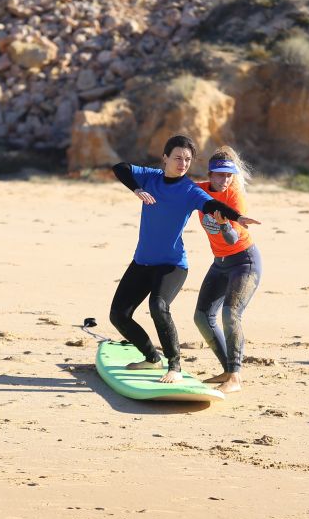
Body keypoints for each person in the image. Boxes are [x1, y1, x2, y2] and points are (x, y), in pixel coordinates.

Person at [110, 135, 259, 383]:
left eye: (188, 159)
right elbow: (120, 168)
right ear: (165, 158)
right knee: (118, 315)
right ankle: (151, 358)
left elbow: (212, 205)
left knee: (158, 306)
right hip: (142, 262)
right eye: (178, 157)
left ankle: (174, 366)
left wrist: (237, 217)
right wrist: (136, 189)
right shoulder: (150, 177)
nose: (183, 163)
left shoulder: (189, 190)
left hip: (172, 265)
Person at [193, 147, 262, 394]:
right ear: (210, 175)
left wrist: (224, 226)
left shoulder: (234, 197)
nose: (225, 180)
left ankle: (235, 377)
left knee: (230, 314)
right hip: (219, 263)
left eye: (229, 176)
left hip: (244, 262)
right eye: (220, 175)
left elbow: (232, 239)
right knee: (202, 317)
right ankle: (226, 369)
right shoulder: (199, 190)